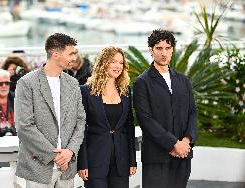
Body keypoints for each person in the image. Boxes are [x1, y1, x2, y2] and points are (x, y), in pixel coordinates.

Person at [14, 33, 86, 187]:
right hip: (37, 168)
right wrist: (56, 156)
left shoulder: (73, 84)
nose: (74, 57)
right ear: (55, 54)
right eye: (71, 53)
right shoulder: (27, 83)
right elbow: (24, 126)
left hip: (67, 168)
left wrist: (70, 151)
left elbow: (81, 121)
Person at [133, 29, 198, 188]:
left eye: (167, 48)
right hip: (157, 157)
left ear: (172, 50)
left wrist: (186, 141)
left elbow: (192, 112)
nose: (164, 53)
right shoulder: (142, 82)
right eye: (159, 48)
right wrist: (173, 143)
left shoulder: (183, 80)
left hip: (183, 155)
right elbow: (145, 119)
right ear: (151, 50)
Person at [77, 46, 137, 188]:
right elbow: (80, 129)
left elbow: (129, 127)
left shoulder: (126, 91)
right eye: (113, 62)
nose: (118, 66)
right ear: (104, 63)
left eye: (121, 63)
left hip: (121, 160)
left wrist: (132, 161)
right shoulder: (85, 91)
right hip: (94, 160)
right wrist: (82, 163)